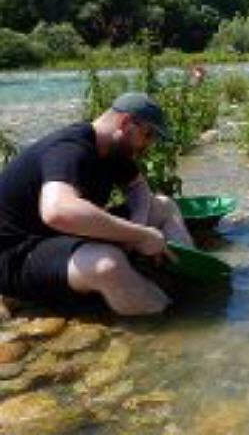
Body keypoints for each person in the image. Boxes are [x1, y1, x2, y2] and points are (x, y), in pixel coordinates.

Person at [0, 93, 193, 316]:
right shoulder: (69, 148)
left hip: (57, 239)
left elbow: (137, 187)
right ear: (125, 122)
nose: (149, 145)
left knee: (163, 205)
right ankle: (173, 319)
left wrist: (138, 224)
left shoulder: (112, 150)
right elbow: (57, 211)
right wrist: (140, 236)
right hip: (16, 254)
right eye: (148, 134)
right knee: (108, 265)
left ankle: (191, 278)